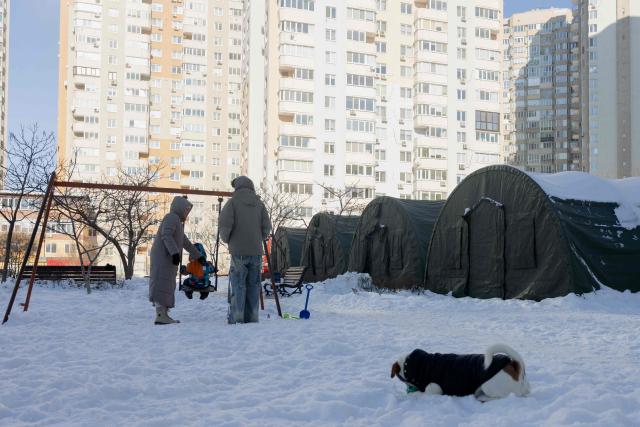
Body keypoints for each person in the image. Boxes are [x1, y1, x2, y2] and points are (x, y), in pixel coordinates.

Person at [219, 176, 271, 324]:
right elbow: (267, 228)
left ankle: (238, 317)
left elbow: (225, 226)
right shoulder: (259, 204)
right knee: (254, 285)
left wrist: (229, 240)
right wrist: (257, 238)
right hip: (255, 251)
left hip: (239, 252)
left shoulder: (232, 203)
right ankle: (252, 317)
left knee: (239, 285)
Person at [149, 196, 204, 325]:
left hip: (167, 257)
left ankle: (163, 313)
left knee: (167, 283)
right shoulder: (171, 218)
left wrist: (198, 255)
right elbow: (166, 235)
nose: (187, 213)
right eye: (185, 210)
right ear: (179, 208)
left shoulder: (177, 222)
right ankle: (160, 314)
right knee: (162, 282)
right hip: (163, 256)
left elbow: (184, 241)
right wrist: (174, 253)